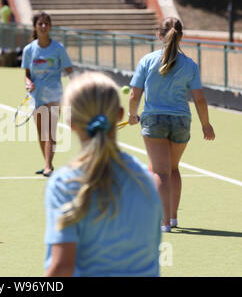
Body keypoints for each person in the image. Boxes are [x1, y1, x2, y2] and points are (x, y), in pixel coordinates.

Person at [44, 71, 162, 277]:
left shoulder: (66, 183)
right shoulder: (146, 180)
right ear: (119, 115)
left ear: (69, 122)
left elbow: (62, 268)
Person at [128, 17, 215, 232]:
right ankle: (173, 218)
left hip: (154, 120)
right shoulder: (190, 64)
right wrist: (206, 124)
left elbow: (134, 94)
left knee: (159, 172)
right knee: (173, 169)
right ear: (181, 36)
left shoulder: (147, 60)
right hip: (181, 121)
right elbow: (200, 99)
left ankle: (163, 221)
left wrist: (132, 115)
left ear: (159, 35)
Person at [21, 12, 73, 177]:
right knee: (41, 133)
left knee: (49, 130)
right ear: (35, 27)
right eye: (40, 24)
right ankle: (47, 164)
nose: (43, 27)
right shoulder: (29, 49)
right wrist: (28, 82)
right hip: (36, 95)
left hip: (54, 94)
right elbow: (27, 73)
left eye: (46, 24)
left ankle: (48, 166)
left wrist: (75, 85)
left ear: (50, 27)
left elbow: (69, 70)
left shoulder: (58, 49)